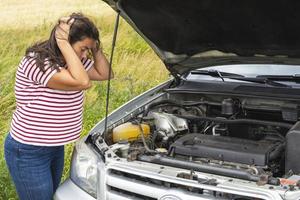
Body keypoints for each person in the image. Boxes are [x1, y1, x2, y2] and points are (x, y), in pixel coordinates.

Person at [4, 12, 113, 200]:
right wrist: (62, 42)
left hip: (55, 146)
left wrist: (95, 49)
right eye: (83, 49)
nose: (85, 55)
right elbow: (82, 82)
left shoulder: (74, 62)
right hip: (29, 150)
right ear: (65, 41)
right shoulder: (37, 62)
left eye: (88, 50)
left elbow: (105, 73)